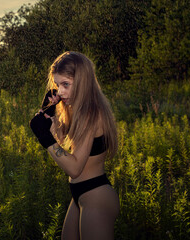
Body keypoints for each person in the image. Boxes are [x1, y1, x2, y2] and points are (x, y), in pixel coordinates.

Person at [30, 51, 120, 239]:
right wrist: (49, 115)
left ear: (83, 82)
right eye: (57, 85)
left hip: (96, 196)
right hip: (80, 196)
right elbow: (61, 142)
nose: (60, 92)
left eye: (66, 84)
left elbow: (75, 167)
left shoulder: (91, 114)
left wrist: (44, 137)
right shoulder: (77, 110)